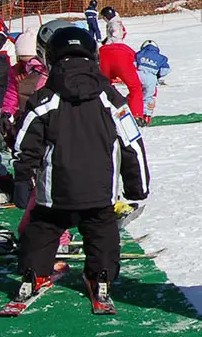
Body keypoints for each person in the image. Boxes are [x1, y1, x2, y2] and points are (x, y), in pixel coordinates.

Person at [11, 26, 150, 313]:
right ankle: (101, 278)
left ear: (50, 57)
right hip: (101, 192)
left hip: (56, 192)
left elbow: (25, 144)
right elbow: (132, 144)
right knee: (102, 232)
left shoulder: (45, 99)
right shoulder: (112, 100)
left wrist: (22, 179)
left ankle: (34, 273)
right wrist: (138, 187)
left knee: (43, 229)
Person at [1, 30, 48, 147]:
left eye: (31, 61)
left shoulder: (46, 72)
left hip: (46, 116)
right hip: (25, 116)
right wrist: (7, 112)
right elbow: (11, 94)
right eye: (23, 61)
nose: (27, 66)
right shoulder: (16, 71)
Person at [98, 29, 145, 120]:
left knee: (104, 86)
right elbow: (137, 60)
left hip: (104, 60)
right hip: (122, 63)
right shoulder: (125, 47)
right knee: (135, 88)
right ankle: (136, 114)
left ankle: (106, 111)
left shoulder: (102, 49)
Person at [135, 40, 171, 123]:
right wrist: (158, 75)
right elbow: (165, 70)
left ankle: (135, 112)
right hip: (151, 78)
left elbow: (133, 63)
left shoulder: (139, 54)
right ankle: (146, 115)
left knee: (136, 94)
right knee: (148, 97)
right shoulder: (161, 58)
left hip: (138, 75)